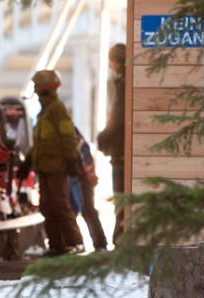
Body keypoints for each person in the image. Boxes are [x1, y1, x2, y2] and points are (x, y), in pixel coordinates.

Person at [18, 70, 84, 256]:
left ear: (44, 88)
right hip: (45, 169)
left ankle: (74, 243)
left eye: (37, 86)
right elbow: (40, 142)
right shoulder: (45, 111)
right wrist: (28, 161)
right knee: (47, 207)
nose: (36, 90)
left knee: (60, 205)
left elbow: (67, 136)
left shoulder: (57, 109)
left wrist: (71, 160)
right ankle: (57, 245)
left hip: (56, 168)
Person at [97, 43, 126, 245]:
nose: (109, 65)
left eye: (112, 60)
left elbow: (116, 117)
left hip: (120, 152)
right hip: (121, 150)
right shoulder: (123, 82)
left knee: (121, 197)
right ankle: (119, 237)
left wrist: (102, 138)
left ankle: (120, 238)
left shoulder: (123, 85)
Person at [71, 128, 108, 252]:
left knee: (86, 210)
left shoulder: (69, 132)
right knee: (84, 210)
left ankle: (98, 243)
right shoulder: (73, 132)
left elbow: (84, 153)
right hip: (79, 176)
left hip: (80, 177)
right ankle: (98, 243)